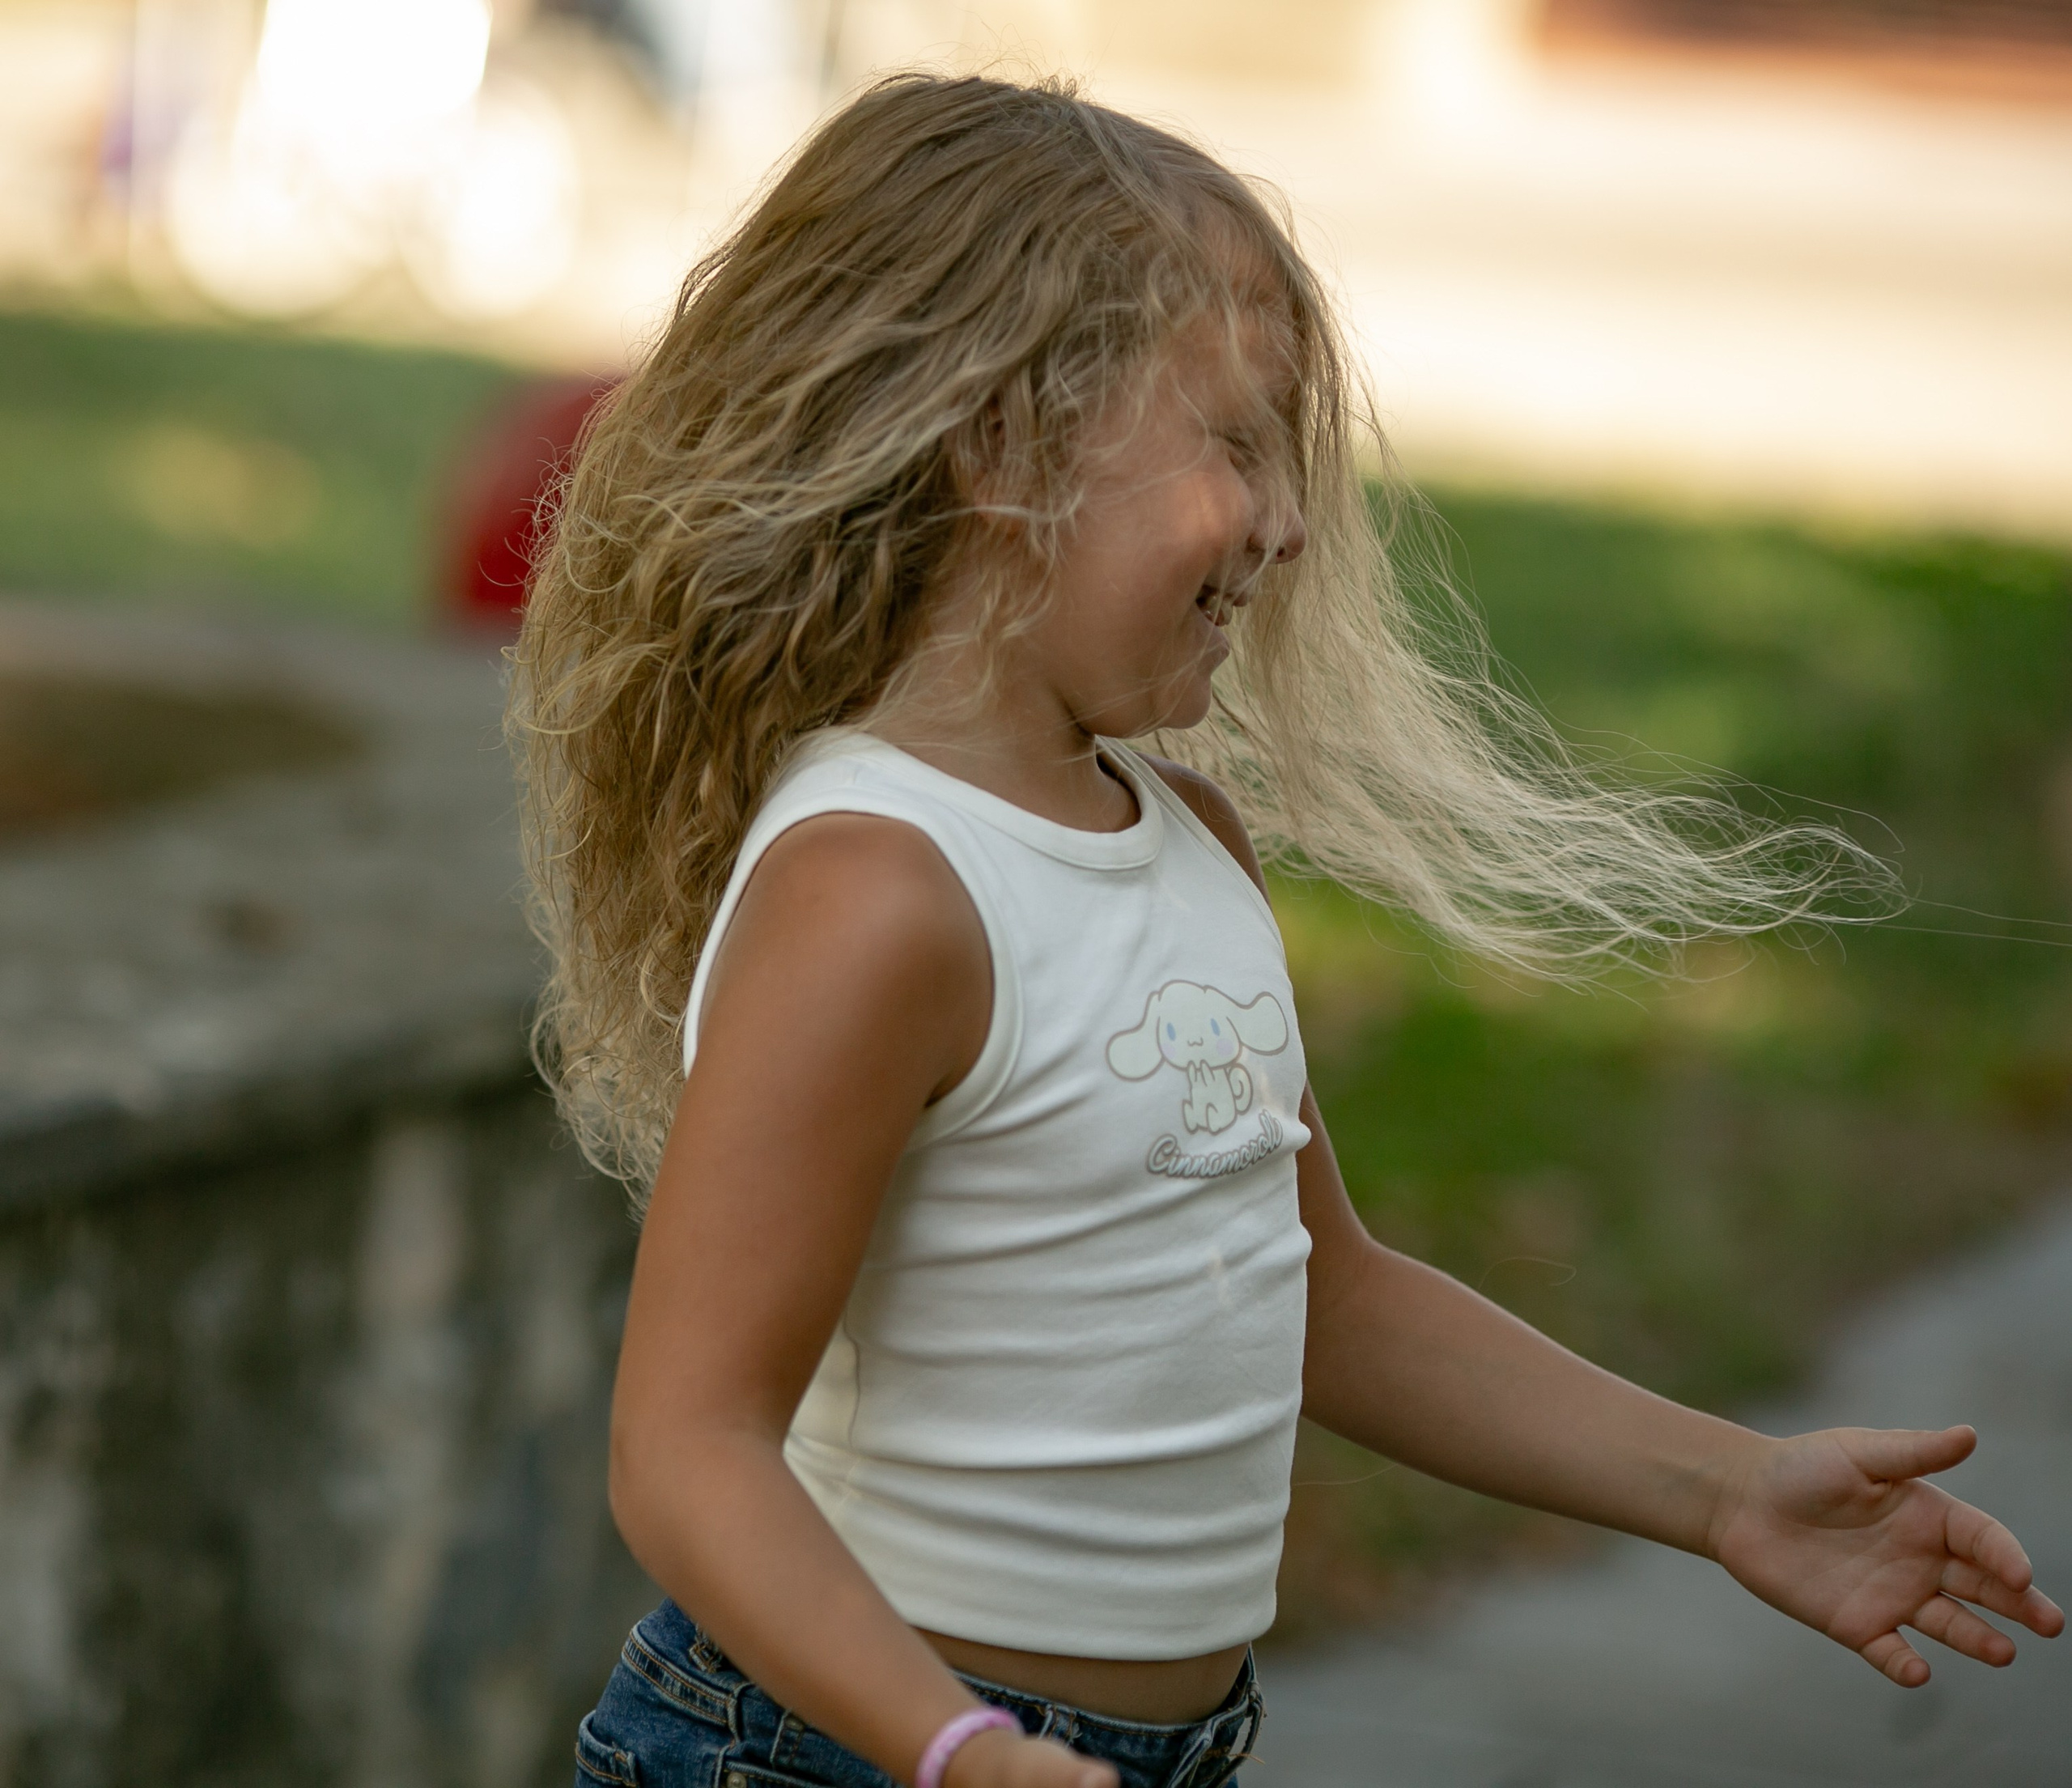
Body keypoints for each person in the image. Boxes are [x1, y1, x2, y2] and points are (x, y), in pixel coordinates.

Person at [507, 73, 2062, 1788]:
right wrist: (949, 1747)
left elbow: (1331, 1298)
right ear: (1002, 438)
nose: (1286, 520)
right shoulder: (877, 889)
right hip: (833, 1755)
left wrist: (1725, 1487)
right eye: (1234, 442)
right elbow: (685, 1444)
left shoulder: (1186, 840)